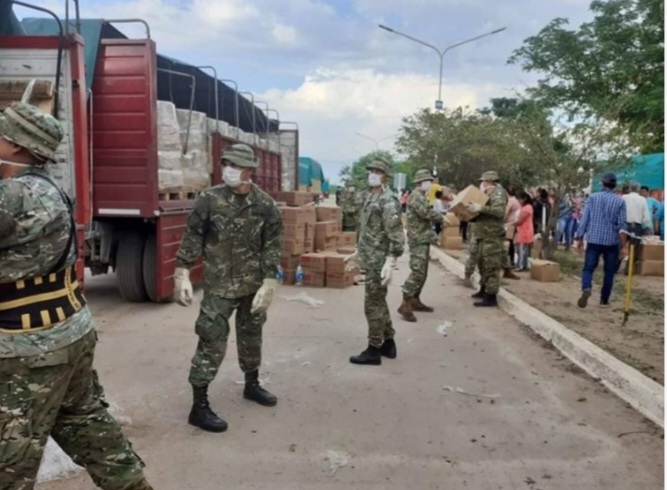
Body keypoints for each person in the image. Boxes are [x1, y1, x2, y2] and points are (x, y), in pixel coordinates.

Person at [0, 102, 153, 490]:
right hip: (66, 330)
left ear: (17, 144)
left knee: (9, 455)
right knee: (84, 421)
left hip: (28, 348)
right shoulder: (45, 186)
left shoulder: (15, 196)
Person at [174, 143, 282, 433]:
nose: (228, 170)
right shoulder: (209, 199)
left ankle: (252, 384)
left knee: (251, 336)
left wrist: (269, 281)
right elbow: (193, 235)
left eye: (235, 166)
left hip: (252, 284)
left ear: (249, 170)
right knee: (211, 340)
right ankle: (199, 406)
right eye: (226, 164)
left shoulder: (265, 205)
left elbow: (272, 245)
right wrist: (182, 271)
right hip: (219, 285)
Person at [345, 157, 404, 365]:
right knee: (379, 302)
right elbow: (367, 229)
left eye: (377, 172)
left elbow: (396, 235)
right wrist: (358, 252)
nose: (373, 175)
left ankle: (374, 349)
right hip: (370, 257)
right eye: (371, 171)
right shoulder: (370, 197)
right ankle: (388, 342)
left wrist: (391, 260)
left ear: (385, 176)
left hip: (379, 261)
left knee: (372, 304)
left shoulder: (388, 200)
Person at [398, 169, 448, 323]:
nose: (430, 184)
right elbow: (425, 213)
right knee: (418, 272)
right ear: (421, 182)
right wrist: (442, 218)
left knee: (423, 272)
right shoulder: (416, 196)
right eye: (428, 181)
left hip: (423, 238)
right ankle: (405, 303)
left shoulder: (421, 195)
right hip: (418, 239)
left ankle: (415, 300)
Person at [574, 173, 627, 309]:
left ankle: (586, 287)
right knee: (609, 272)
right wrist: (624, 246)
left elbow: (585, 219)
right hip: (611, 242)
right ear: (614, 185)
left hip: (594, 239)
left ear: (602, 183)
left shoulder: (593, 197)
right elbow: (622, 226)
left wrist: (579, 237)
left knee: (588, 268)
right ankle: (604, 300)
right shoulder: (620, 201)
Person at [466, 171, 507, 307]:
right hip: (483, 235)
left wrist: (480, 208)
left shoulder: (498, 193)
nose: (482, 183)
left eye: (483, 181)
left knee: (491, 266)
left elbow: (499, 212)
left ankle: (491, 296)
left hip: (492, 236)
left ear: (490, 181)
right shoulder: (487, 193)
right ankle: (483, 290)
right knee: (482, 264)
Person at [621, 182, 652, 274]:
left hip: (624, 225)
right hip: (637, 227)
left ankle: (614, 266)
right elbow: (646, 216)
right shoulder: (642, 200)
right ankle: (628, 270)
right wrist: (647, 226)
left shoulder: (623, 198)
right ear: (638, 190)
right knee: (634, 249)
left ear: (630, 189)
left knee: (621, 246)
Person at [512, 191, 535, 271]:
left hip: (525, 230)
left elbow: (520, 220)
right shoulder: (524, 207)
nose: (518, 201)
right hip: (522, 230)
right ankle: (524, 264)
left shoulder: (527, 208)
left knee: (522, 249)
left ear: (524, 199)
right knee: (523, 248)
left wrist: (510, 224)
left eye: (519, 199)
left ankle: (520, 265)